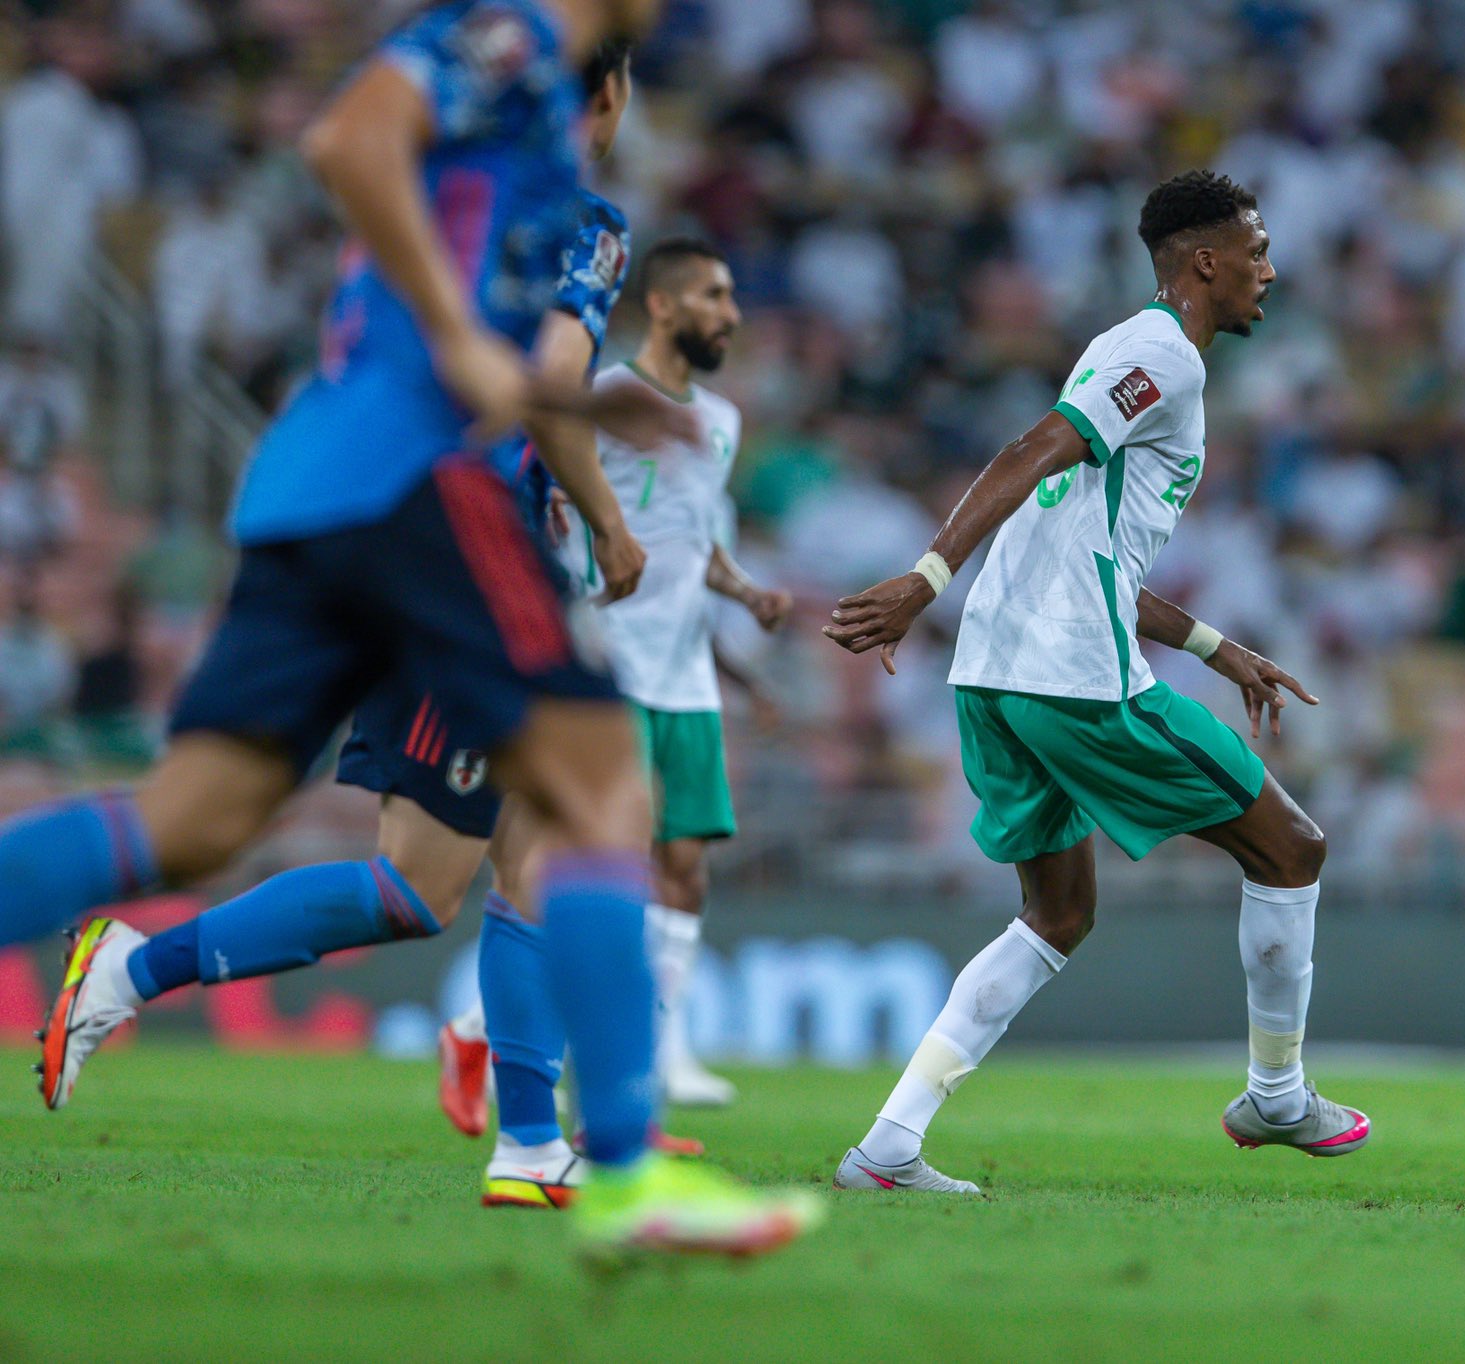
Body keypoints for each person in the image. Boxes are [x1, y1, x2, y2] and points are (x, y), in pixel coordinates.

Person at [4, 0, 816, 1256]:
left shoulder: (533, 162)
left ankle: (540, 1142)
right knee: (595, 789)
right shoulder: (523, 50)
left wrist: (557, 424)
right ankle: (606, 1164)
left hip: (316, 478)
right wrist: (499, 392)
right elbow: (350, 141)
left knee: (194, 817)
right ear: (611, 96)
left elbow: (531, 361)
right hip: (431, 486)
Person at [822, 170, 1368, 1194]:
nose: (1269, 268)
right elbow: (1033, 447)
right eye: (1254, 248)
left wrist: (1216, 646)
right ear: (1204, 258)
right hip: (1072, 677)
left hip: (996, 674)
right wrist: (924, 578)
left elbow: (1086, 545)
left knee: (1055, 914)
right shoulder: (1160, 354)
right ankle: (1276, 1093)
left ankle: (887, 1145)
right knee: (1291, 846)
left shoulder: (1122, 353)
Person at [444, 235, 791, 1122]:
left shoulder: (721, 418)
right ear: (666, 305)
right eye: (715, 295)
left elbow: (689, 530)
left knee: (686, 870)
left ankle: (658, 1049)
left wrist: (744, 594)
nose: (732, 313)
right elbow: (569, 508)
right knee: (611, 866)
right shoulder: (601, 399)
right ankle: (507, 1026)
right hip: (615, 663)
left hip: (687, 676)